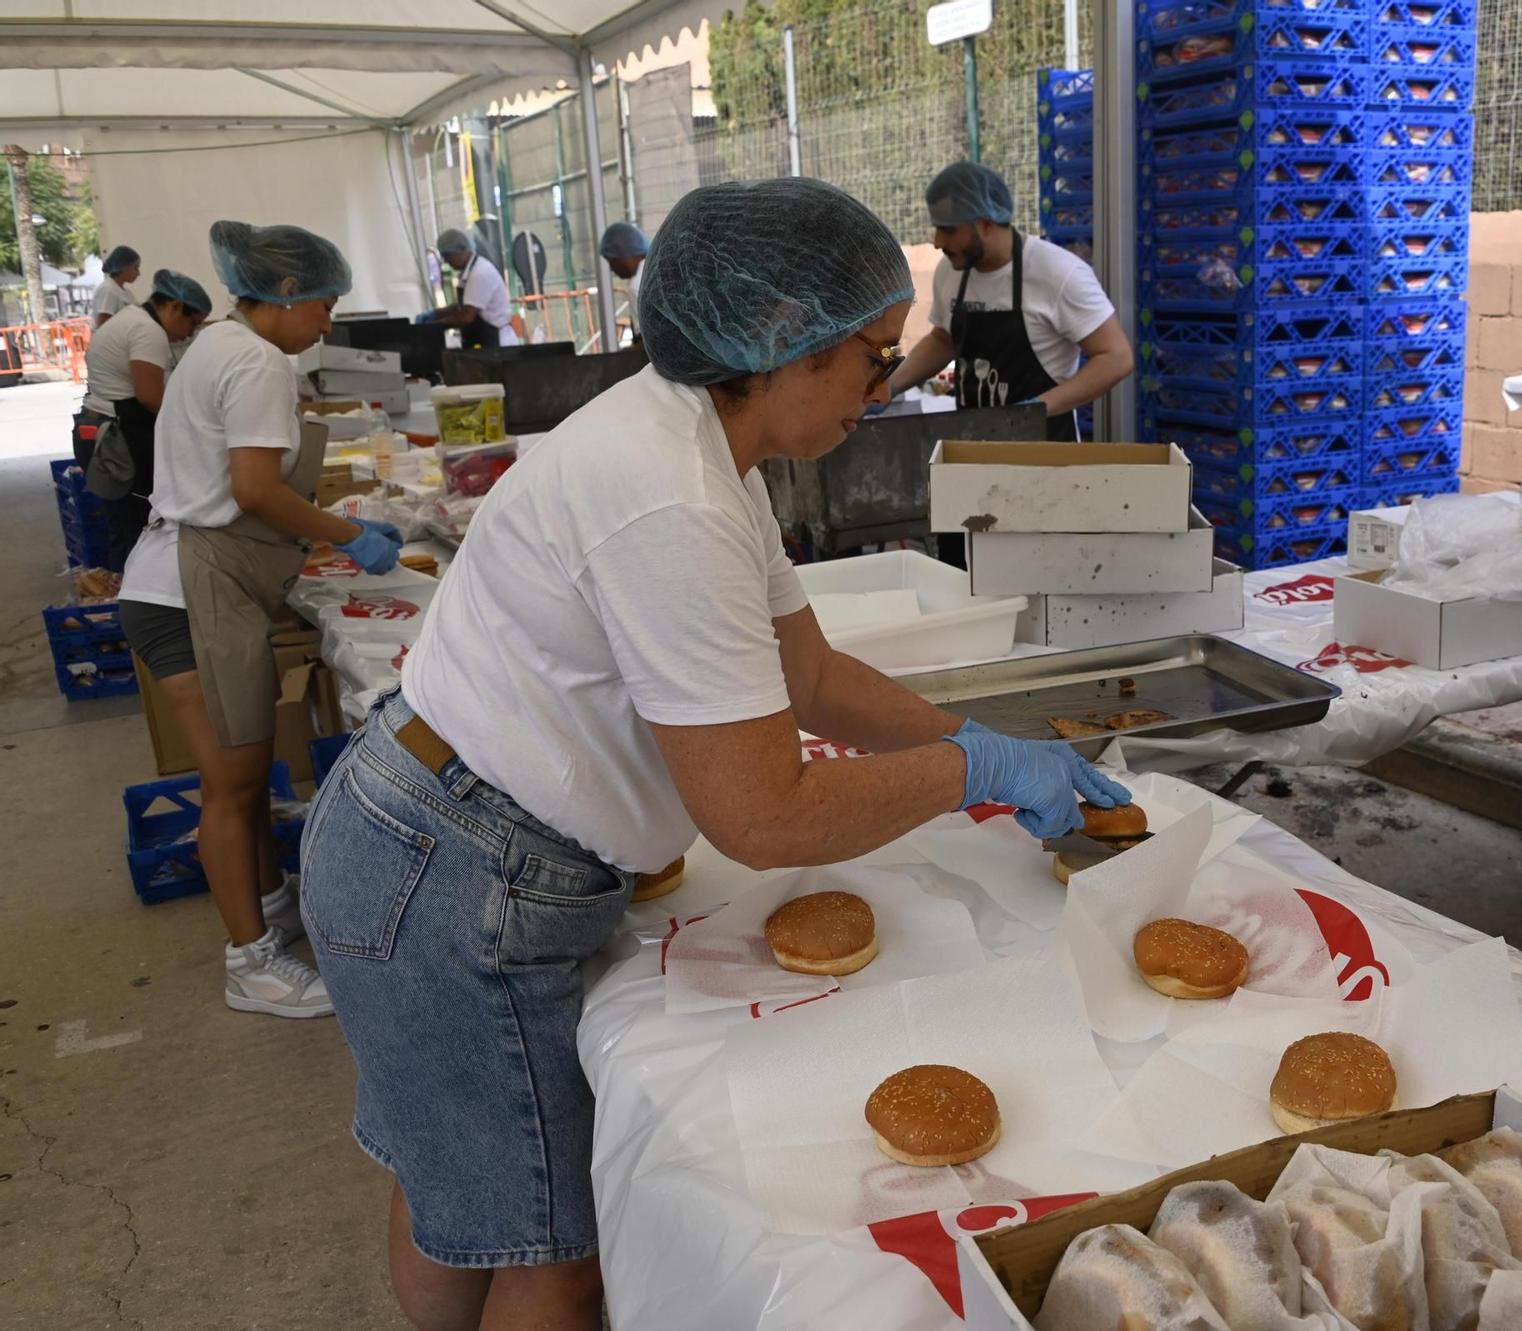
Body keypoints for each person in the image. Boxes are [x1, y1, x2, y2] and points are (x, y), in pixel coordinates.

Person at [300, 177, 1128, 1331]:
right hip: (451, 871)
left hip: (434, 836)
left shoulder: (697, 445)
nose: (881, 385)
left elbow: (811, 675)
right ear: (781, 344)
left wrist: (970, 733)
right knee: (550, 1249)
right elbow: (763, 815)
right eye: (869, 356)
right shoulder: (669, 493)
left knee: (467, 1196)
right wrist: (970, 776)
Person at [119, 220, 404, 1022]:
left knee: (240, 782)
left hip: (181, 575)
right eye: (323, 303)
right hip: (187, 592)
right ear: (284, 293)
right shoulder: (256, 361)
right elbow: (252, 489)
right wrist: (350, 535)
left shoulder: (214, 345)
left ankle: (267, 902)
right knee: (233, 786)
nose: (328, 320)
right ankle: (252, 965)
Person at [885, 160, 1133, 440]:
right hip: (974, 442)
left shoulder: (1058, 273)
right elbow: (944, 339)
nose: (937, 242)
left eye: (949, 230)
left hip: (1044, 448)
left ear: (987, 224)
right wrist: (890, 386)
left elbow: (1116, 357)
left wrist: (1035, 410)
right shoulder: (951, 271)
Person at [78, 269, 212, 569]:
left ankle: (125, 596)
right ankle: (135, 603)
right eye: (192, 323)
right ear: (175, 307)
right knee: (135, 527)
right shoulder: (148, 331)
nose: (190, 333)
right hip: (118, 437)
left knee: (123, 524)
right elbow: (150, 397)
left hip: (97, 425)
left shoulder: (130, 318)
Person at [432, 228, 520, 348]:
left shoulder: (479, 273)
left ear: (461, 250)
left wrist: (435, 326)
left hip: (498, 341)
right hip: (486, 339)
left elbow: (466, 316)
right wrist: (436, 314)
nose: (446, 261)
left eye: (448, 255)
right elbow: (462, 306)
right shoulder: (468, 272)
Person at [598, 220, 649, 348]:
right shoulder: (655, 268)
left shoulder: (637, 286)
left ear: (624, 254)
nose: (611, 268)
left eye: (612, 261)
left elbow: (648, 344)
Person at [92, 244, 143, 326]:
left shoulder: (127, 293)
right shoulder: (108, 290)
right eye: (135, 268)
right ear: (123, 267)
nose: (138, 273)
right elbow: (103, 325)